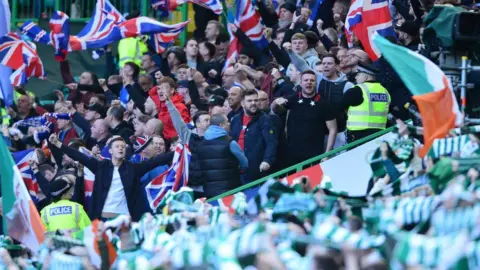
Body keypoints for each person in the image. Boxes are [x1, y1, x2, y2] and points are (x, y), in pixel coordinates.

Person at [48, 134, 174, 221]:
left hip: (125, 219)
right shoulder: (100, 166)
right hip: (103, 219)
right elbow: (79, 156)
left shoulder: (133, 168)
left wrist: (178, 151)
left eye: (123, 147)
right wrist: (58, 144)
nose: (121, 148)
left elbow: (155, 161)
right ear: (110, 151)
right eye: (117, 146)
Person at [272, 70, 337, 167]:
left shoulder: (324, 104)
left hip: (314, 155)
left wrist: (327, 154)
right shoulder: (293, 99)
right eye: (306, 80)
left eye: (312, 80)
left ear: (316, 83)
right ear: (301, 83)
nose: (309, 82)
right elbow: (275, 110)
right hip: (291, 154)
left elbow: (333, 129)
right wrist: (275, 103)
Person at [230, 90, 277, 182]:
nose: (254, 103)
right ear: (242, 103)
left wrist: (267, 160)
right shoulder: (235, 119)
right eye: (250, 101)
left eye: (256, 100)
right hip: (236, 170)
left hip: (255, 170)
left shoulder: (265, 120)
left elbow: (271, 143)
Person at [196, 114, 248, 198]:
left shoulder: (201, 144)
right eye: (227, 121)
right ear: (221, 125)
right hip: (231, 190)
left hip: (209, 191)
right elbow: (245, 163)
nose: (229, 123)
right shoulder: (230, 142)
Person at [340, 63, 391, 143]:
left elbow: (338, 108)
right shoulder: (385, 91)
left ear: (365, 76)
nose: (355, 77)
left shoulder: (357, 90)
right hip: (381, 134)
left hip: (359, 136)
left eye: (358, 74)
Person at [148, 77, 191, 141]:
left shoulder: (179, 107)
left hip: (177, 142)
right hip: (166, 142)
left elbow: (184, 129)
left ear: (172, 90)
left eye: (163, 88)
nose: (160, 91)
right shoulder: (162, 105)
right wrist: (160, 82)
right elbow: (151, 93)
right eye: (159, 89)